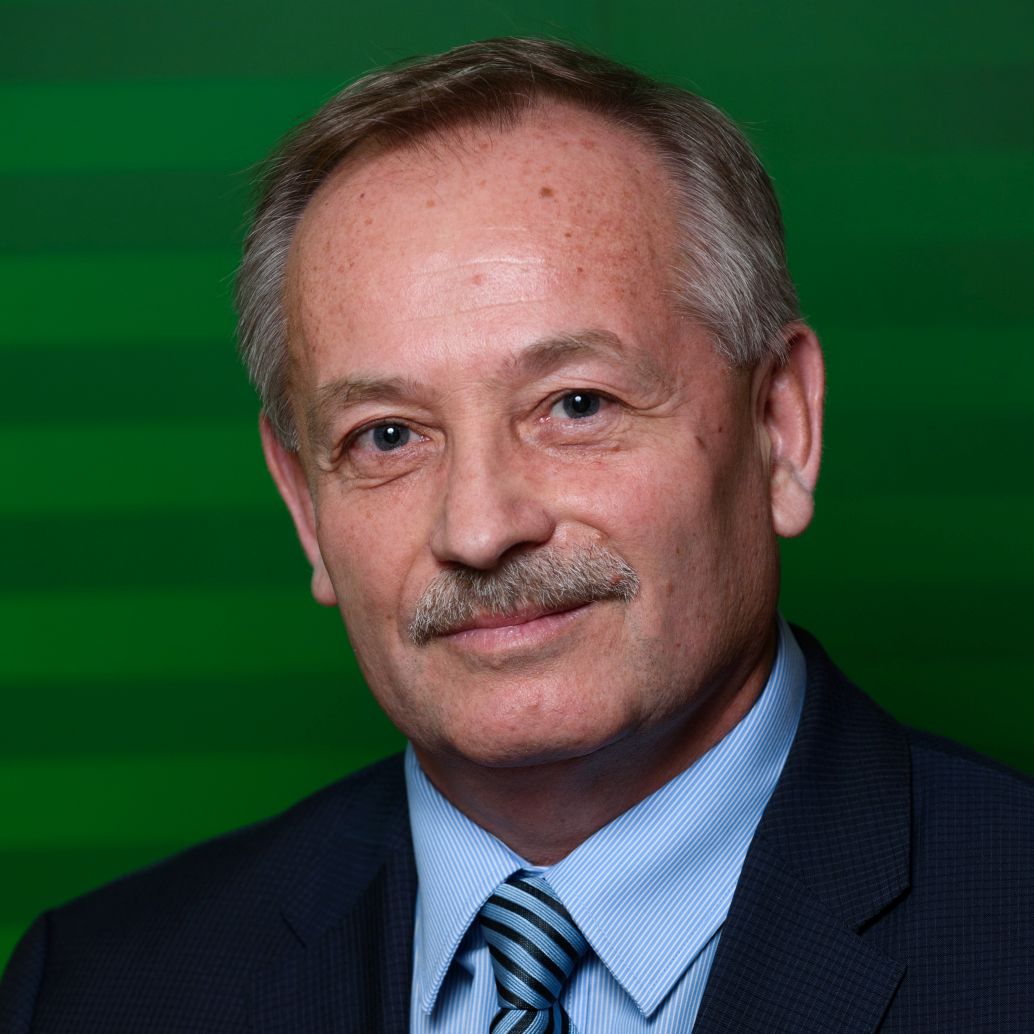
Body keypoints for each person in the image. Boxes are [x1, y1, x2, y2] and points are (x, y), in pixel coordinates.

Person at [1, 36, 1031, 1034]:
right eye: (388, 435)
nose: (481, 527)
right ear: (305, 505)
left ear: (779, 428)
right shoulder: (93, 992)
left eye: (576, 404)